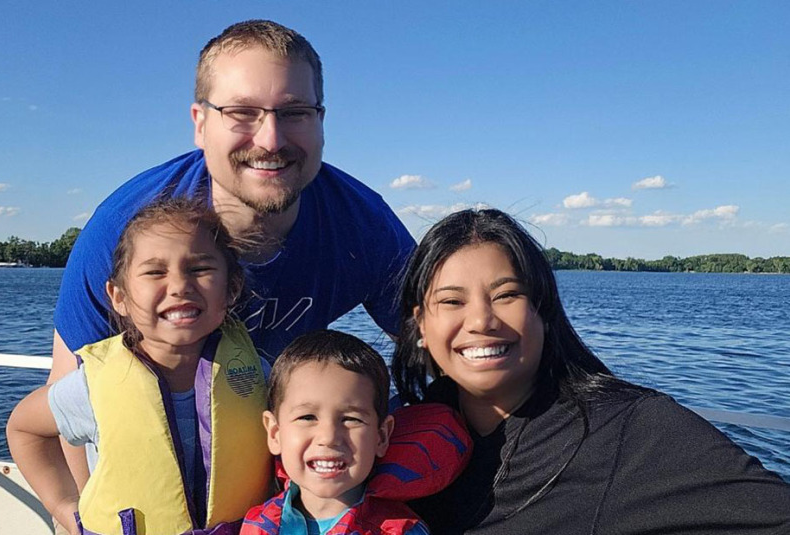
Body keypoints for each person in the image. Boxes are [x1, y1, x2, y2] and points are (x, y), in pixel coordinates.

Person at [52, 16, 414, 493]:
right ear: (200, 124)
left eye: (295, 112)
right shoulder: (128, 228)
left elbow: (430, 342)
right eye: (242, 112)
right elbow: (69, 388)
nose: (270, 140)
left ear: (321, 121)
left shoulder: (363, 224)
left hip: (277, 477)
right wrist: (80, 518)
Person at [391, 208, 790, 534]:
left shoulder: (624, 430)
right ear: (421, 325)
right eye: (451, 301)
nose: (481, 319)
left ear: (543, 312)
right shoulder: (397, 432)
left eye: (507, 295)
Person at [8, 198, 271, 535]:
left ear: (231, 287)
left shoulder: (258, 375)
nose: (179, 286)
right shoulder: (92, 385)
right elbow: (24, 429)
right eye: (155, 272)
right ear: (119, 297)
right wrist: (64, 505)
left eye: (200, 269)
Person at [241, 330, 472, 535]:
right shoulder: (255, 522)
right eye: (307, 417)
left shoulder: (401, 531)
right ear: (274, 433)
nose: (329, 437)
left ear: (381, 436)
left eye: (351, 419)